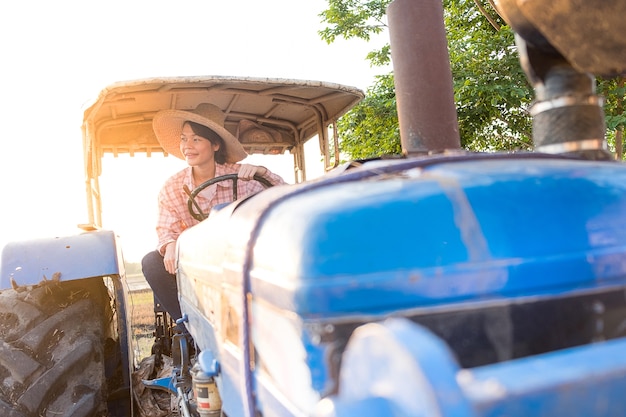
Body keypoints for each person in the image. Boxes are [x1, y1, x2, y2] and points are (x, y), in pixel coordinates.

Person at [142, 103, 286, 322]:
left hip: (237, 259)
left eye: (196, 139)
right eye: (183, 138)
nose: (187, 146)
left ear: (215, 144)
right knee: (151, 262)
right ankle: (190, 325)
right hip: (194, 263)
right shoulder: (173, 186)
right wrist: (170, 245)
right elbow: (165, 229)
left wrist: (262, 172)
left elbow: (285, 197)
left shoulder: (242, 176)